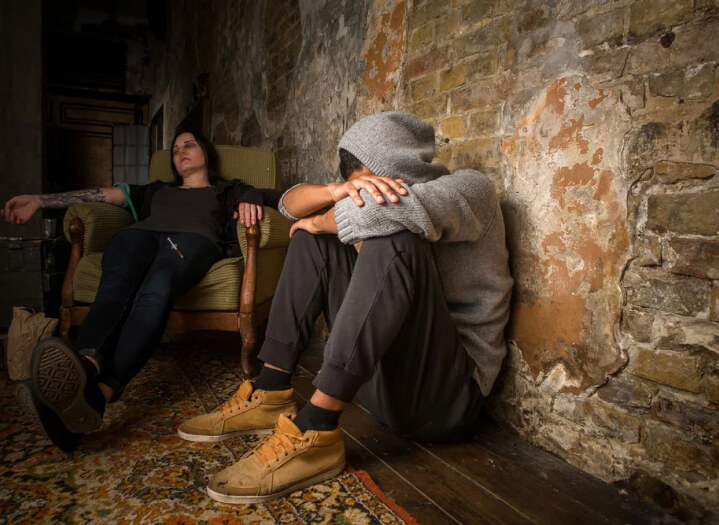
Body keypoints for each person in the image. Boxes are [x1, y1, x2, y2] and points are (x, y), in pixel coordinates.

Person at [177, 111, 514, 504]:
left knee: (393, 237)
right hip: (381, 390)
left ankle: (316, 425)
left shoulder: (471, 190)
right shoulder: (361, 193)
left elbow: (381, 210)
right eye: (358, 188)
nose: (363, 194)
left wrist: (321, 220)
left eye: (370, 185)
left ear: (401, 168)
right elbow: (289, 205)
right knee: (312, 240)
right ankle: (270, 390)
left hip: (446, 399)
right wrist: (335, 194)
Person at [2, 128, 281, 451]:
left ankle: (98, 391)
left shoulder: (227, 190)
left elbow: (275, 196)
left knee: (155, 291)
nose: (180, 152)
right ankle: (87, 370)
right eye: (175, 149)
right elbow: (101, 195)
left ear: (206, 153)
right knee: (113, 289)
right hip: (138, 238)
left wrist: (251, 197)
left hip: (192, 242)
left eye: (188, 145)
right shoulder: (155, 191)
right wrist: (39, 201)